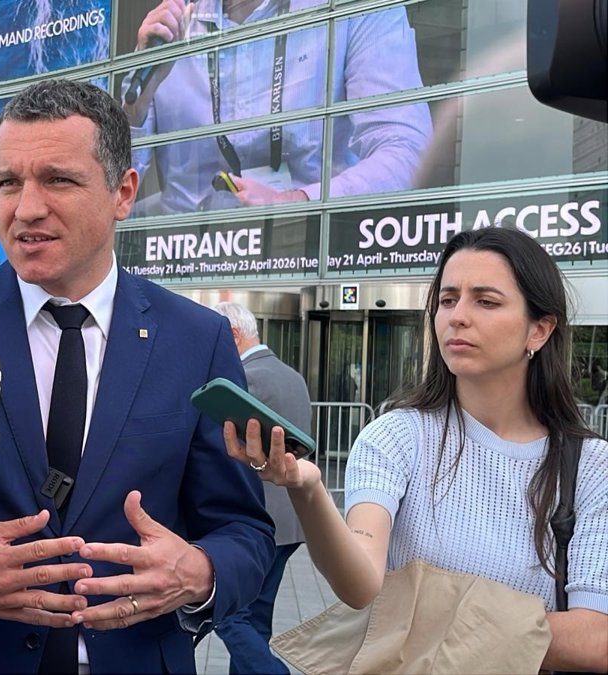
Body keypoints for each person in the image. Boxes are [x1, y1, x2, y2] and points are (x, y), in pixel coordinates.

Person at [0, 79, 274, 673]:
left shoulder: (196, 339)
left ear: (123, 192)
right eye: (8, 182)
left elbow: (243, 530)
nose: (26, 208)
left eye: (58, 180)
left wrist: (198, 572)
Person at [226, 227, 608, 672]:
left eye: (485, 301)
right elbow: (360, 584)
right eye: (448, 300)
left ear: (539, 330)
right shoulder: (395, 437)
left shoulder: (589, 464)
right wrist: (308, 490)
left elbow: (594, 639)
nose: (457, 317)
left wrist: (428, 622)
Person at [125, 0, 432, 216]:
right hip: (182, 261)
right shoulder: (173, 23)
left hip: (306, 256)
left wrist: (298, 202)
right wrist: (139, 99)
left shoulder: (354, 9)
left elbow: (407, 152)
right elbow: (116, 183)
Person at [211, 301, 311, 675]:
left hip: (259, 519)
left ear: (233, 335)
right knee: (256, 619)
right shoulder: (292, 376)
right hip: (291, 519)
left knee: (228, 616)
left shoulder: (246, 379)